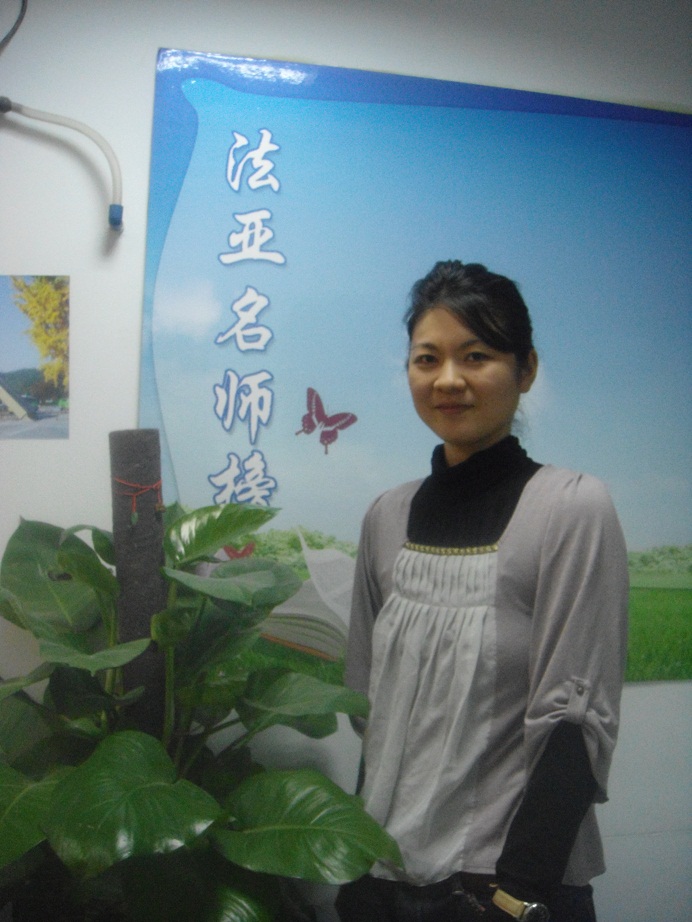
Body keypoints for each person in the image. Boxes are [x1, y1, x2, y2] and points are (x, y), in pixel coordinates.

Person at [336, 260, 628, 922]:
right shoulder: (386, 517)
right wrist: (357, 873)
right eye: (427, 359)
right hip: (385, 879)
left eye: (476, 356)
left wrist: (516, 899)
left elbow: (576, 727)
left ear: (525, 370)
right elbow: (377, 718)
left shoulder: (570, 508)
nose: (448, 379)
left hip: (506, 889)